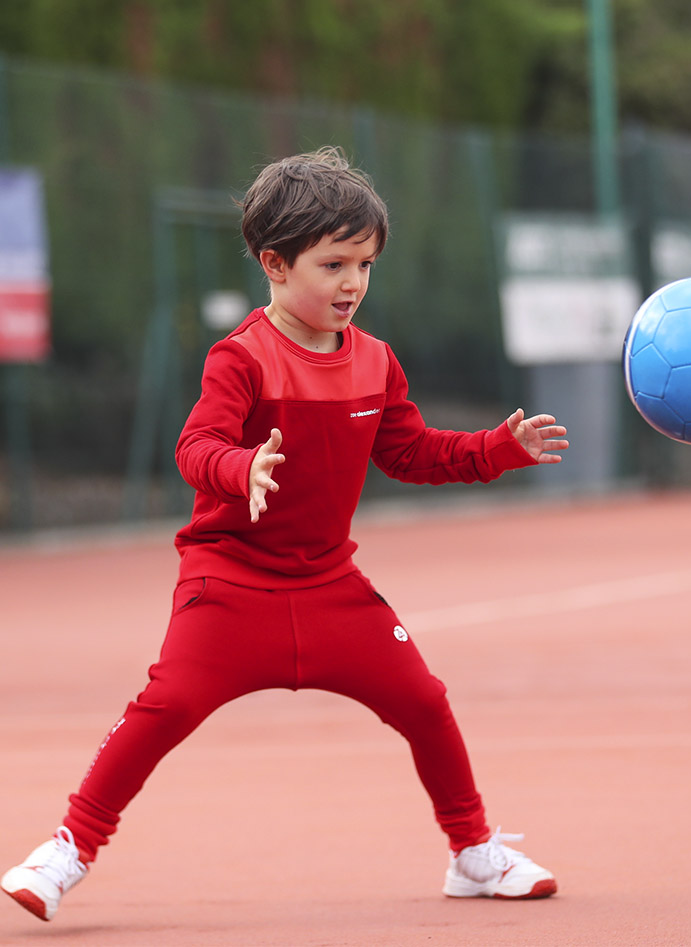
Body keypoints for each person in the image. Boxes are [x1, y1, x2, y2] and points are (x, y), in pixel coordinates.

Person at [1, 146, 568, 923]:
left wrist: (499, 448)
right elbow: (196, 447)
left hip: (331, 585)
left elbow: (410, 452)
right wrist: (242, 468)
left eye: (365, 264)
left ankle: (473, 853)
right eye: (333, 264)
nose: (353, 283)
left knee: (424, 701)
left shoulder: (377, 362)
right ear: (274, 263)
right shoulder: (240, 358)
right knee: (165, 705)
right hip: (231, 582)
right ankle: (67, 848)